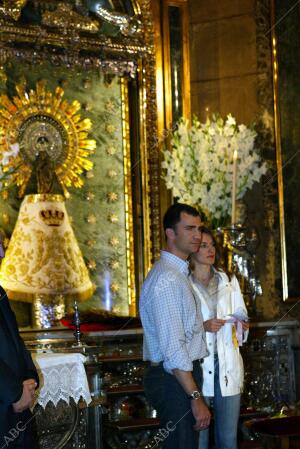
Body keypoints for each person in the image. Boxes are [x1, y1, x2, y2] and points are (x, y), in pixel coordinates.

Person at [140, 203, 211, 449]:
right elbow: (173, 347)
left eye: (199, 229)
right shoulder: (168, 278)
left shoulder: (175, 273)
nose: (197, 236)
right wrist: (195, 397)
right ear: (170, 233)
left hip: (177, 377)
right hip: (173, 379)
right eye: (189, 228)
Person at [189, 227, 249, 449]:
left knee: (228, 440)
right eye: (204, 246)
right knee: (200, 439)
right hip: (199, 368)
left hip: (227, 366)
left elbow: (242, 319)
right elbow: (180, 328)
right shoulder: (184, 283)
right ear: (192, 250)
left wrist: (241, 326)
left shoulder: (228, 280)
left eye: (212, 245)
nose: (210, 249)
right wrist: (203, 326)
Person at [0, 238, 39, 449]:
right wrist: (15, 393)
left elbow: (17, 341)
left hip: (17, 409)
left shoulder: (1, 292)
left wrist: (30, 378)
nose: (3, 254)